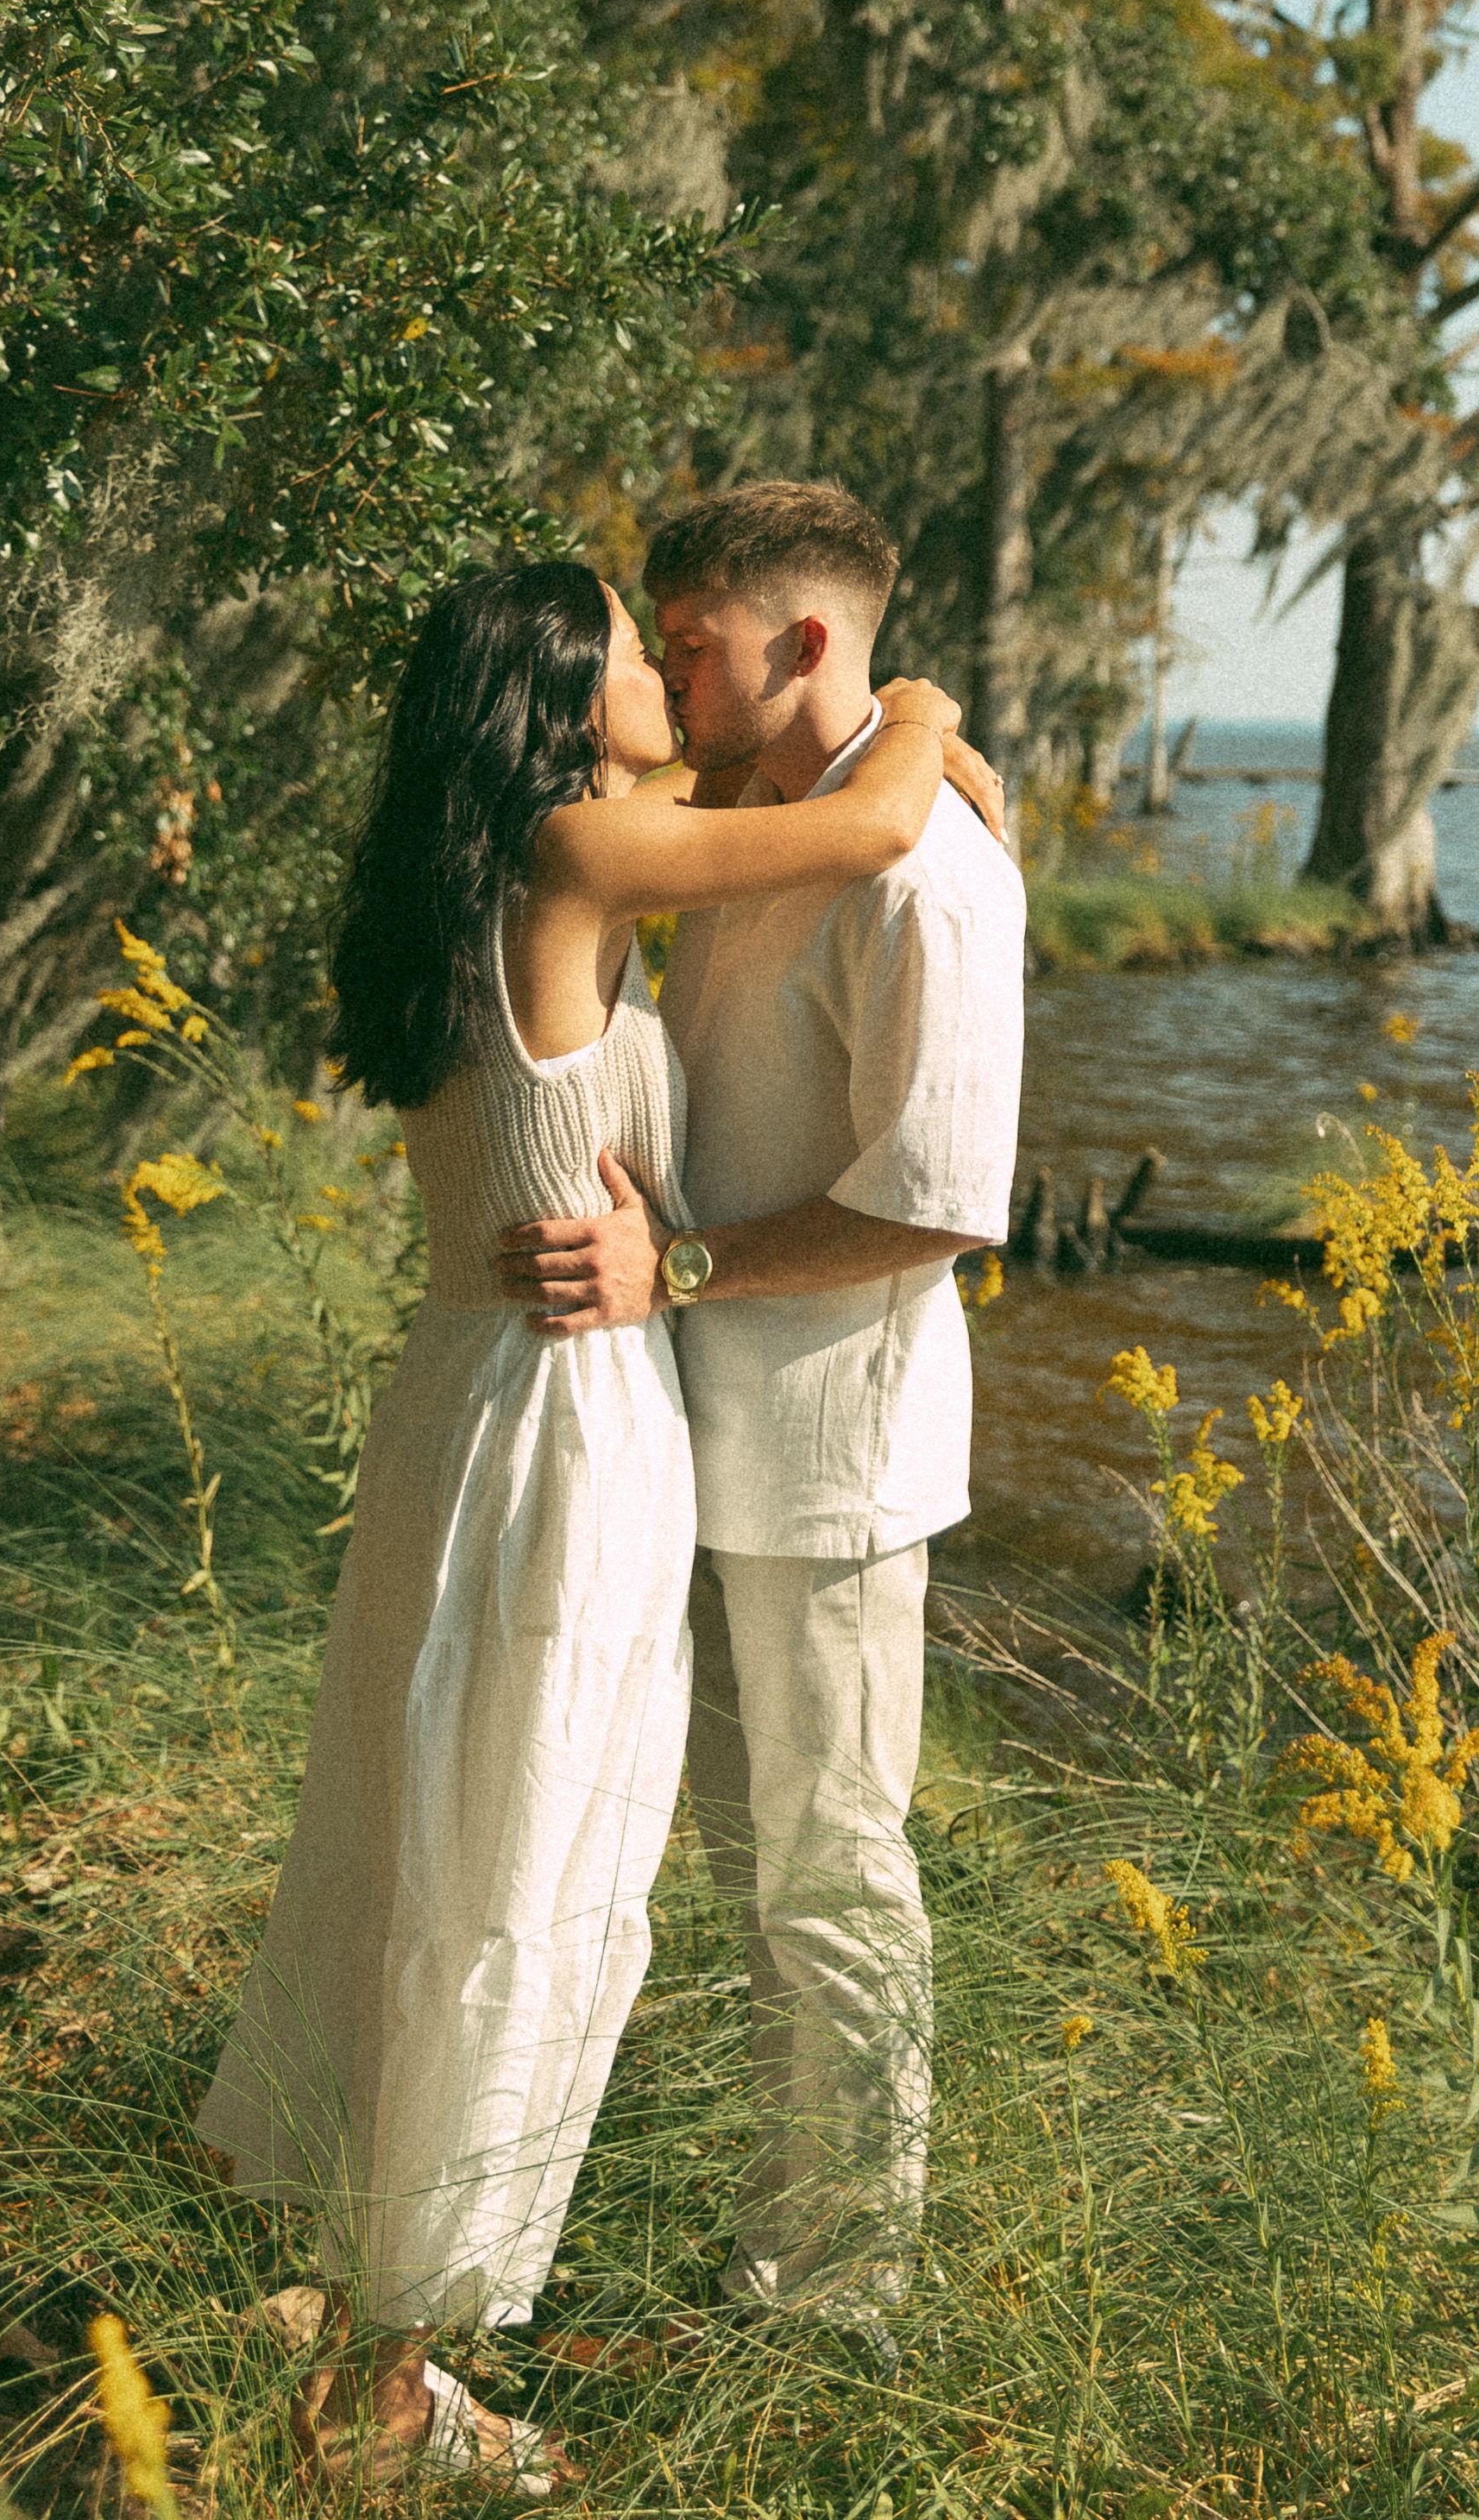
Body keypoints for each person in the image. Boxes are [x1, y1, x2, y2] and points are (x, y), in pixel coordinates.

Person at [194, 550, 999, 2499]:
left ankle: (355, 2295)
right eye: (645, 649)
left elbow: (773, 811)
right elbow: (869, 821)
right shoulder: (577, 856)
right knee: (524, 1860)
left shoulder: (499, 863)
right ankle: (398, 2382)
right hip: (567, 1413)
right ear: (564, 700)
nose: (670, 670)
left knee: (431, 1828)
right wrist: (923, 710)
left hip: (469, 1395)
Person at [498, 476, 1027, 2362]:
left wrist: (683, 1269)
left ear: (803, 642)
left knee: (834, 1875)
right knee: (742, 1873)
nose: (669, 679)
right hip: (678, 1433)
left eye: (692, 644)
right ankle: (765, 2249)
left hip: (828, 1462)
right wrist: (928, 716)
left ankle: (845, 2303)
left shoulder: (926, 874)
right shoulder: (739, 815)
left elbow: (940, 1200)